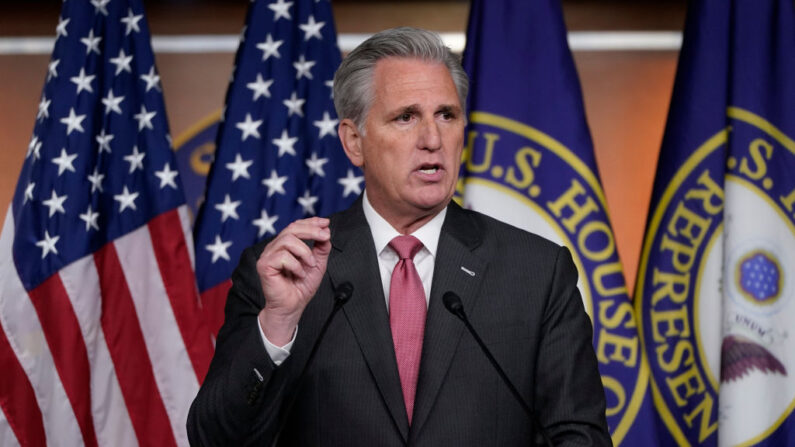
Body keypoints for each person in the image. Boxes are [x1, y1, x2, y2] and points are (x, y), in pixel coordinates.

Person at [187, 27, 611, 446]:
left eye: (446, 115)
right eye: (406, 117)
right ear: (355, 142)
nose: (432, 139)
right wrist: (277, 325)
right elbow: (214, 439)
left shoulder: (536, 272)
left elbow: (579, 437)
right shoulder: (288, 270)